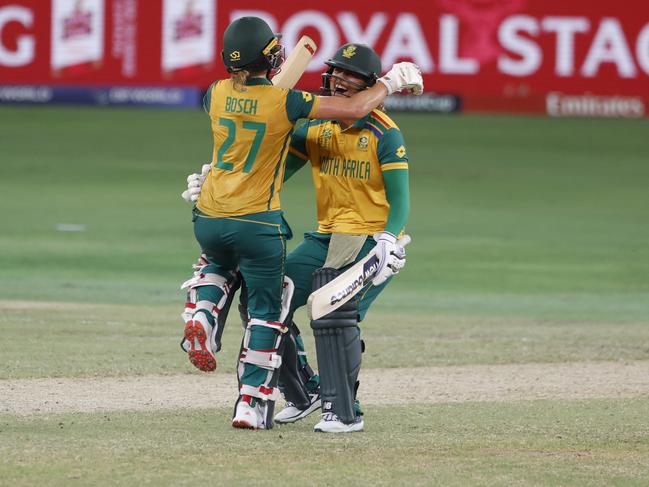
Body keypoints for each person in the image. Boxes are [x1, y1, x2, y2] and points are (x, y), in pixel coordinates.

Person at [179, 16, 423, 431]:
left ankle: (344, 411)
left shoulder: (385, 133)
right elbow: (272, 163)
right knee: (273, 302)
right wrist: (226, 175)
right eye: (336, 73)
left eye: (351, 76)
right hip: (324, 235)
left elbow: (400, 198)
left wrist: (388, 239)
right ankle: (304, 392)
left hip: (367, 239)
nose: (340, 81)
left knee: (333, 316)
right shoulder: (313, 127)